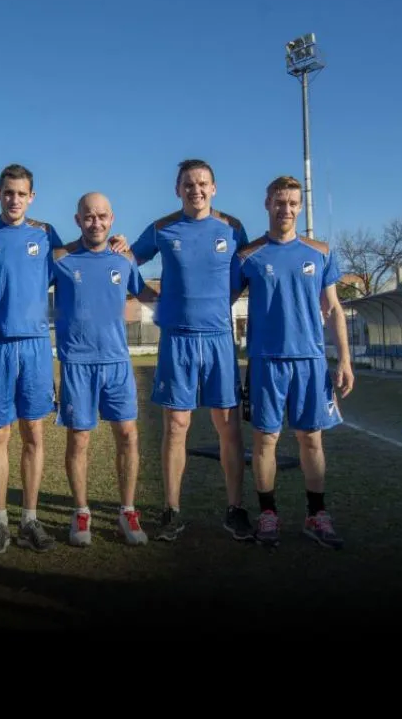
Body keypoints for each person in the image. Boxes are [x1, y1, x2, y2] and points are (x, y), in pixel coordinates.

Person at [110, 159, 252, 543]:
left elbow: (244, 277)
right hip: (177, 340)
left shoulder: (233, 227)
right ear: (178, 189)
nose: (197, 190)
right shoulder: (162, 227)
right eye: (189, 184)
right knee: (176, 427)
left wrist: (219, 306)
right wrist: (140, 283)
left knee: (229, 426)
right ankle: (171, 510)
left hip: (219, 340)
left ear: (214, 187)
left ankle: (236, 509)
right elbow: (126, 260)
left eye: (203, 183)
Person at [230, 175, 354, 549]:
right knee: (265, 440)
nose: (286, 209)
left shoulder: (319, 252)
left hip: (311, 362)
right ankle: (268, 515)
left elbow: (332, 308)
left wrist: (344, 359)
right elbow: (219, 302)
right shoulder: (248, 256)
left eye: (293, 204)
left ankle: (316, 515)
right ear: (267, 204)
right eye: (279, 202)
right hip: (266, 361)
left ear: (299, 208)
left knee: (311, 440)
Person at [0, 164, 62, 555]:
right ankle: (0, 521)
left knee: (34, 434)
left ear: (31, 196)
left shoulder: (45, 233)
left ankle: (30, 519)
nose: (14, 199)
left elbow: (73, 265)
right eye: (8, 192)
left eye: (22, 193)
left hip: (35, 346)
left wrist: (116, 244)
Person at [51, 192, 158, 547]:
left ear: (111, 220)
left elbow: (147, 296)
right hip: (77, 365)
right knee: (79, 439)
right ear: (77, 219)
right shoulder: (61, 260)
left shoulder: (124, 262)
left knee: (128, 435)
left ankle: (127, 510)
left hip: (117, 364)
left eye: (102, 216)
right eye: (88, 216)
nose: (95, 222)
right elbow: (23, 288)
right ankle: (81, 512)